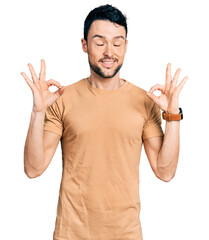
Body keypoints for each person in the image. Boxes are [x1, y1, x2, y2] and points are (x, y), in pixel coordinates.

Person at [21, 4, 188, 240]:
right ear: (84, 45)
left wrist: (172, 116)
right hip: (72, 234)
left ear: (126, 46)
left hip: (126, 234)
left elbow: (165, 171)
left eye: (117, 43)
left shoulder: (144, 101)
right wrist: (38, 112)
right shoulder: (62, 99)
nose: (109, 52)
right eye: (99, 43)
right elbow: (33, 168)